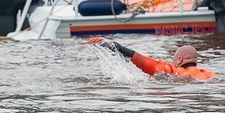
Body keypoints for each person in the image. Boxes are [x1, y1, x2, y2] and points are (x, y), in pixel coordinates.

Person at [87, 37, 216, 80]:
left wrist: (115, 46)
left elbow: (144, 62)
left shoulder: (175, 72)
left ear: (180, 60)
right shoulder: (210, 75)